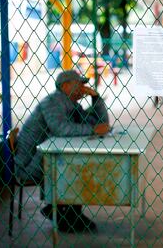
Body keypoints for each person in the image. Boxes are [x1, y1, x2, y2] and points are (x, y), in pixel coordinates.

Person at [15, 70, 110, 233]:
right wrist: (93, 129)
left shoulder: (72, 105)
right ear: (65, 86)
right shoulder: (52, 102)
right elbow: (62, 129)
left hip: (47, 158)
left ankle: (68, 212)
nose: (83, 87)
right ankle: (63, 211)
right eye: (79, 83)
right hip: (29, 165)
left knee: (75, 159)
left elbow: (101, 124)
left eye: (83, 83)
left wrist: (96, 98)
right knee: (75, 163)